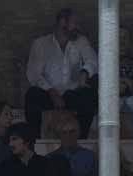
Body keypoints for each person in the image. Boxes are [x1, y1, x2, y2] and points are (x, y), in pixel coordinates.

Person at [24, 8, 98, 139]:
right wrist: (51, 92)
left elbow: (92, 60)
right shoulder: (40, 44)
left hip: (72, 94)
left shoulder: (81, 41)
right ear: (63, 22)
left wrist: (84, 72)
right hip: (48, 94)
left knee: (88, 95)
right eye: (75, 23)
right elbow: (33, 74)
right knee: (32, 95)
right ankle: (33, 141)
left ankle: (81, 138)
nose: (78, 27)